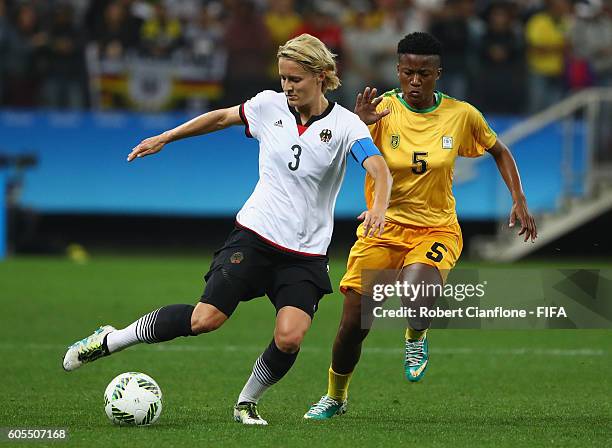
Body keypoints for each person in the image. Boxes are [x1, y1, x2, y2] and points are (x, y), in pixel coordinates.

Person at [62, 33, 392, 426]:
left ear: (322, 76)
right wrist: (166, 137)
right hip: (254, 236)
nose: (287, 87)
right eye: (283, 78)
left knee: (290, 337)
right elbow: (220, 117)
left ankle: (246, 402)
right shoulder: (269, 105)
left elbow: (377, 167)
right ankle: (111, 339)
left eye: (296, 80)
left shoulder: (345, 124)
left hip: (305, 253)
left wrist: (379, 207)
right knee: (206, 320)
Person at [304, 32, 537, 419]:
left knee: (416, 289)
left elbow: (499, 150)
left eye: (424, 74)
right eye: (408, 72)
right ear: (397, 71)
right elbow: (334, 156)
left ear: (438, 74)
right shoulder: (379, 111)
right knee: (352, 325)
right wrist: (356, 127)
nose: (415, 81)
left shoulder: (461, 115)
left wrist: (519, 198)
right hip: (383, 228)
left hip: (436, 229)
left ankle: (416, 335)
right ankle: (336, 397)